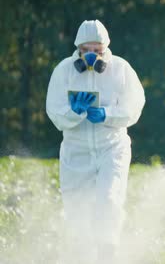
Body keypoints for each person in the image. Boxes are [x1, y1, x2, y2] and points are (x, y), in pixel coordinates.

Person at [46, 19, 145, 263]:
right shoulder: (64, 70)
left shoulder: (121, 69)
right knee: (76, 208)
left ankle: (107, 252)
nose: (91, 56)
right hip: (75, 150)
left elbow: (134, 106)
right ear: (78, 49)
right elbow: (54, 112)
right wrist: (73, 112)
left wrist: (108, 115)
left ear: (105, 49)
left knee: (109, 199)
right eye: (86, 51)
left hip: (111, 146)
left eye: (97, 51)